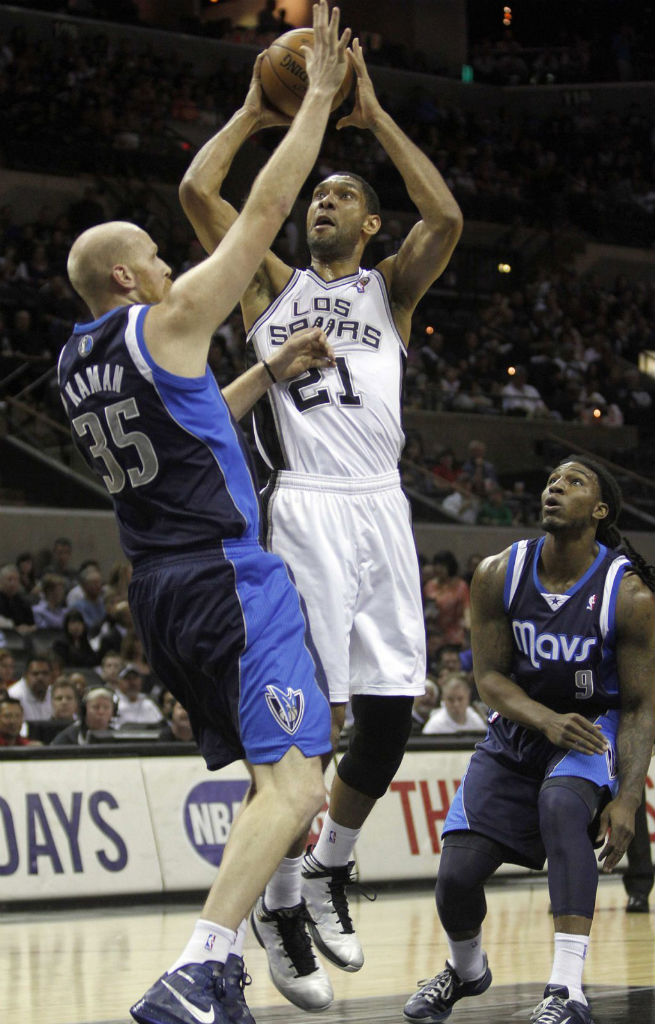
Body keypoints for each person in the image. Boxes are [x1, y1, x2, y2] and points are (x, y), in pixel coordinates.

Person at [57, 7, 350, 1023]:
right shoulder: (169, 318)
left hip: (161, 591)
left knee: (279, 785)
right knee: (301, 788)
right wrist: (310, 103)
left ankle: (214, 968)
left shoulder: (74, 364)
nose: (175, 268)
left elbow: (187, 434)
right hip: (230, 578)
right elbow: (258, 215)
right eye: (158, 257)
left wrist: (265, 370)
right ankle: (201, 964)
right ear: (133, 279)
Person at [179, 33, 462, 1011]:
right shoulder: (271, 286)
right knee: (318, 714)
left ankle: (330, 865)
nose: (319, 205)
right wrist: (260, 115)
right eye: (313, 199)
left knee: (390, 710)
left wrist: (374, 112)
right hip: (306, 507)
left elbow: (449, 214)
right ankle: (283, 897)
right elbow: (198, 198)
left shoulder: (389, 290)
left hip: (384, 504)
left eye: (337, 196)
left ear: (370, 220)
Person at [404, 456, 655, 1024]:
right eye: (550, 481)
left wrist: (629, 798)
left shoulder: (629, 595)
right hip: (520, 729)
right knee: (455, 880)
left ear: (600, 510)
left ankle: (567, 992)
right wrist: (543, 718)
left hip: (593, 729)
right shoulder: (499, 572)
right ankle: (466, 971)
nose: (554, 489)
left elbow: (641, 705)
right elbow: (488, 678)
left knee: (562, 803)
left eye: (574, 483)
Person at [51, 685, 117, 746]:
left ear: (113, 712)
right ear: (85, 710)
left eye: (106, 707)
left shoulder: (117, 736)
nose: (101, 712)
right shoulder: (69, 737)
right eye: (96, 707)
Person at [421, 673, 486, 735]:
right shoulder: (434, 726)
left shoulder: (476, 721)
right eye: (450, 699)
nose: (456, 704)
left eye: (460, 699)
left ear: (468, 697)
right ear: (443, 699)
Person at [114, 662, 163, 727]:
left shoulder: (149, 703)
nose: (132, 682)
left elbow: (160, 725)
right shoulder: (112, 702)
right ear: (118, 681)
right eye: (127, 678)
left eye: (135, 678)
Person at [8, 656, 53, 722]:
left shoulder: (54, 693)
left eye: (45, 673)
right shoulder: (13, 695)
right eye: (35, 674)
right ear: (25, 675)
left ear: (51, 675)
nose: (40, 678)